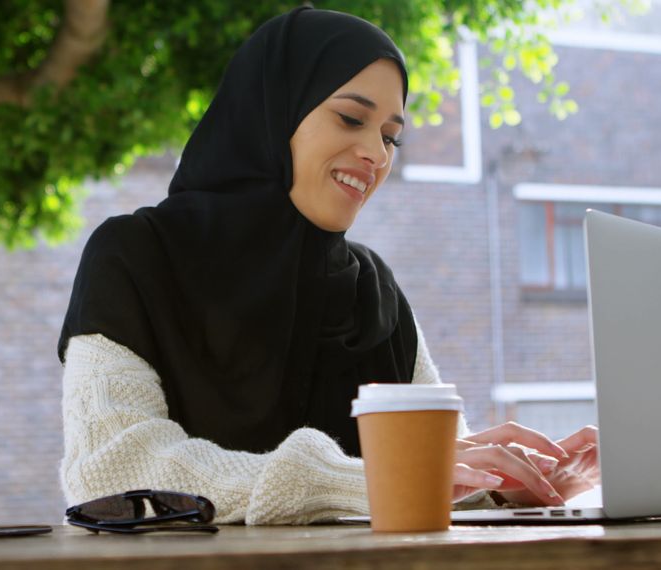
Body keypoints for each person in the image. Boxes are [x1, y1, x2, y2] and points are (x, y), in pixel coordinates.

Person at [57, 6, 599, 525]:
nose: (378, 155)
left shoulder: (372, 291)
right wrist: (356, 482)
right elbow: (115, 472)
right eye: (350, 118)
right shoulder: (133, 256)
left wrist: (508, 490)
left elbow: (432, 479)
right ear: (273, 114)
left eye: (390, 136)